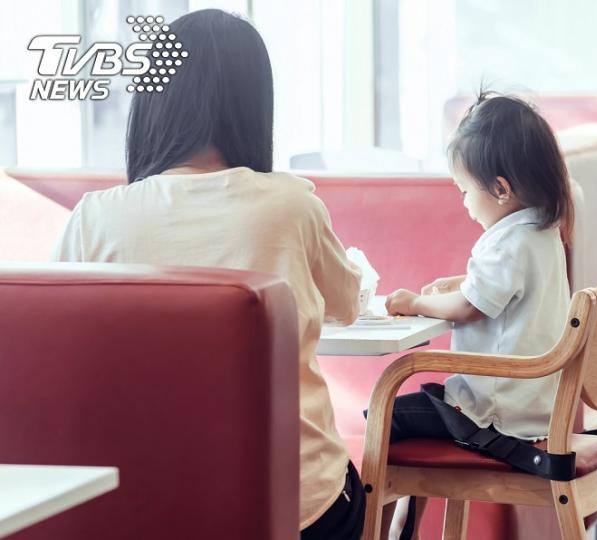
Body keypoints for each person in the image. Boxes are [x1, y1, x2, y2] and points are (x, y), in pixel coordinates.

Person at [50, 9, 364, 540]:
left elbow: (60, 345)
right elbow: (347, 305)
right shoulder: (291, 204)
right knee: (361, 484)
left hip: (143, 502)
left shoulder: (95, 216)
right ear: (253, 106)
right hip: (294, 506)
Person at [383, 91, 574, 448]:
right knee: (408, 410)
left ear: (501, 189)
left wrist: (414, 304)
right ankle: (400, 505)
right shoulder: (542, 233)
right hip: (531, 407)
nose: (464, 203)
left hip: (491, 416)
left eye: (465, 190)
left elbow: (470, 308)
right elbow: (512, 293)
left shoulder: (508, 243)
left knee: (382, 417)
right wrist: (462, 283)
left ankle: (373, 506)